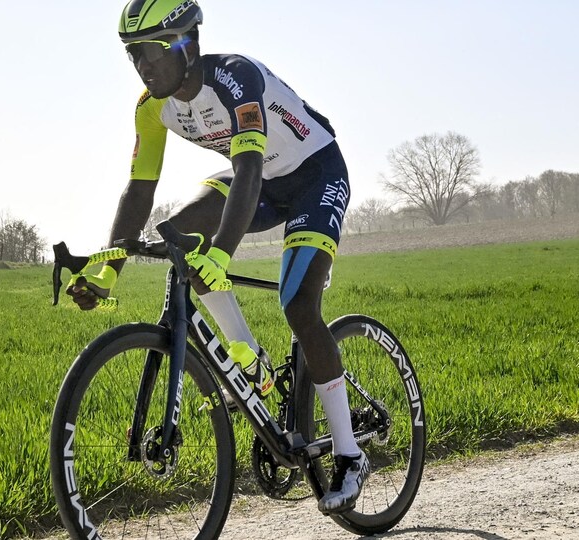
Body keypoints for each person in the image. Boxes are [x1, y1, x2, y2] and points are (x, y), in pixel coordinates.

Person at [65, 0, 367, 515]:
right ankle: (249, 359)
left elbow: (247, 169)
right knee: (180, 235)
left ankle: (348, 453)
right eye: (132, 55)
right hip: (263, 184)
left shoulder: (236, 78)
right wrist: (104, 272)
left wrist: (222, 255)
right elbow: (139, 192)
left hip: (315, 175)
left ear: (186, 44)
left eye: (149, 52)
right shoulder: (151, 107)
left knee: (298, 306)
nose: (141, 65)